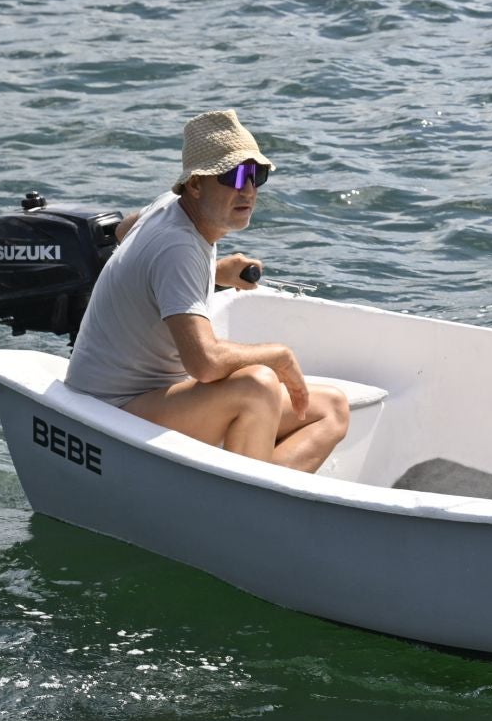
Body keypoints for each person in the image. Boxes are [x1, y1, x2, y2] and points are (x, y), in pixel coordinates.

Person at [64, 110, 349, 473]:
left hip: (153, 397)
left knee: (331, 410)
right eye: (233, 175)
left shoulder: (171, 207)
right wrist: (279, 356)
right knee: (256, 384)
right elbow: (204, 363)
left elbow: (124, 235)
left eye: (255, 175)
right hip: (110, 409)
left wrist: (214, 273)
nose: (247, 189)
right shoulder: (179, 247)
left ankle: (258, 501)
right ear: (195, 185)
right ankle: (245, 507)